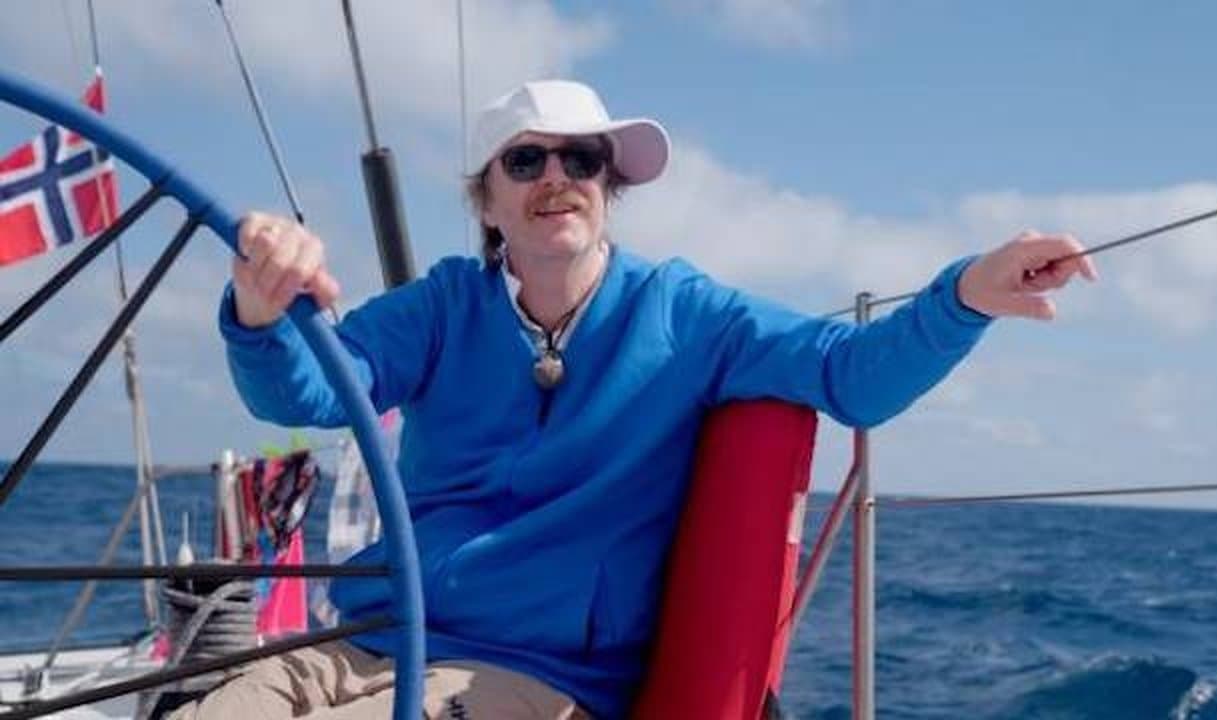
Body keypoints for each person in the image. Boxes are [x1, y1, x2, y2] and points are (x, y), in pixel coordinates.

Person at [172, 79, 1097, 719]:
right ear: (486, 202)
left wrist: (967, 297)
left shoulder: (688, 315)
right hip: (368, 639)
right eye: (525, 162)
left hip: (529, 677)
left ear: (607, 188)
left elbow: (850, 375)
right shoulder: (442, 307)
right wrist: (260, 312)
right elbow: (305, 389)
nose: (556, 179)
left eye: (580, 159)